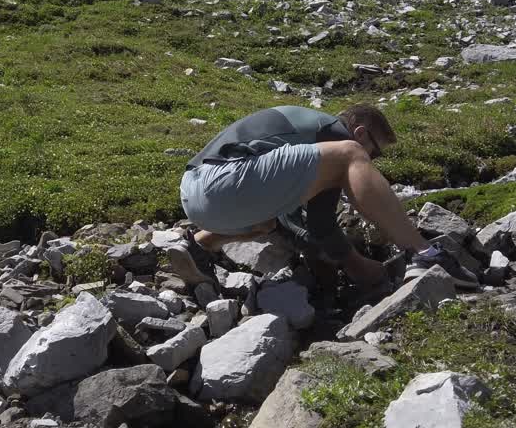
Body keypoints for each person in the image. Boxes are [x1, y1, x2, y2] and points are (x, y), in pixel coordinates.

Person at [179, 104, 477, 291]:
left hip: (196, 196)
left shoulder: (303, 145)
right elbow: (321, 223)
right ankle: (423, 253)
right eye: (376, 150)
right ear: (360, 132)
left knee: (268, 220)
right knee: (350, 155)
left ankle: (200, 245)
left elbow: (295, 221)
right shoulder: (332, 133)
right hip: (221, 181)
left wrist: (323, 255)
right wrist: (354, 264)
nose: (373, 159)